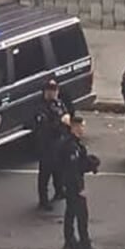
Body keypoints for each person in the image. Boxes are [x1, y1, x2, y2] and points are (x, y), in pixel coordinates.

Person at [58, 116, 103, 249]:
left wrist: (90, 164)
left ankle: (70, 240)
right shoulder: (71, 146)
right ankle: (85, 247)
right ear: (74, 127)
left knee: (71, 211)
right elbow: (72, 169)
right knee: (82, 215)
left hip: (70, 184)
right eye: (81, 126)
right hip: (74, 185)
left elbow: (79, 164)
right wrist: (79, 188)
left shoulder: (73, 143)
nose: (83, 129)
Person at [34, 80, 71, 210]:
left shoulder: (59, 103)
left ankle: (59, 190)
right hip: (47, 144)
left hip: (60, 142)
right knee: (45, 173)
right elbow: (45, 127)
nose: (53, 93)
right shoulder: (41, 108)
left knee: (59, 170)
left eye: (54, 90)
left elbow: (66, 113)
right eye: (50, 90)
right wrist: (60, 121)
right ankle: (43, 200)